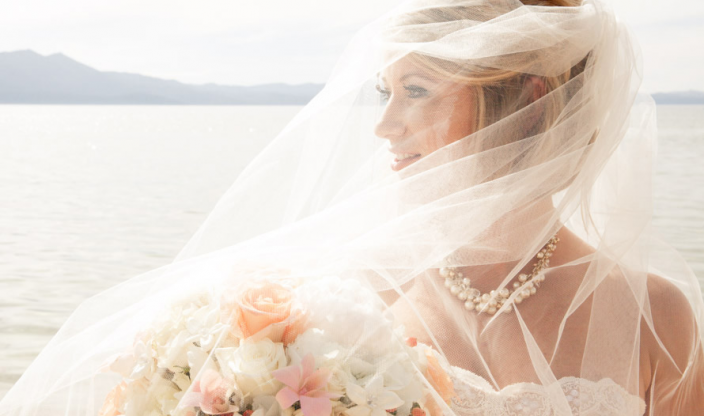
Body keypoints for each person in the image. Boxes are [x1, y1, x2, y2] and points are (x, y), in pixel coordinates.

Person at [1, 0, 702, 415]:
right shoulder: (334, 305)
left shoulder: (657, 318)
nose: (385, 126)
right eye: (384, 92)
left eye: (418, 90)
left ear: (528, 98)